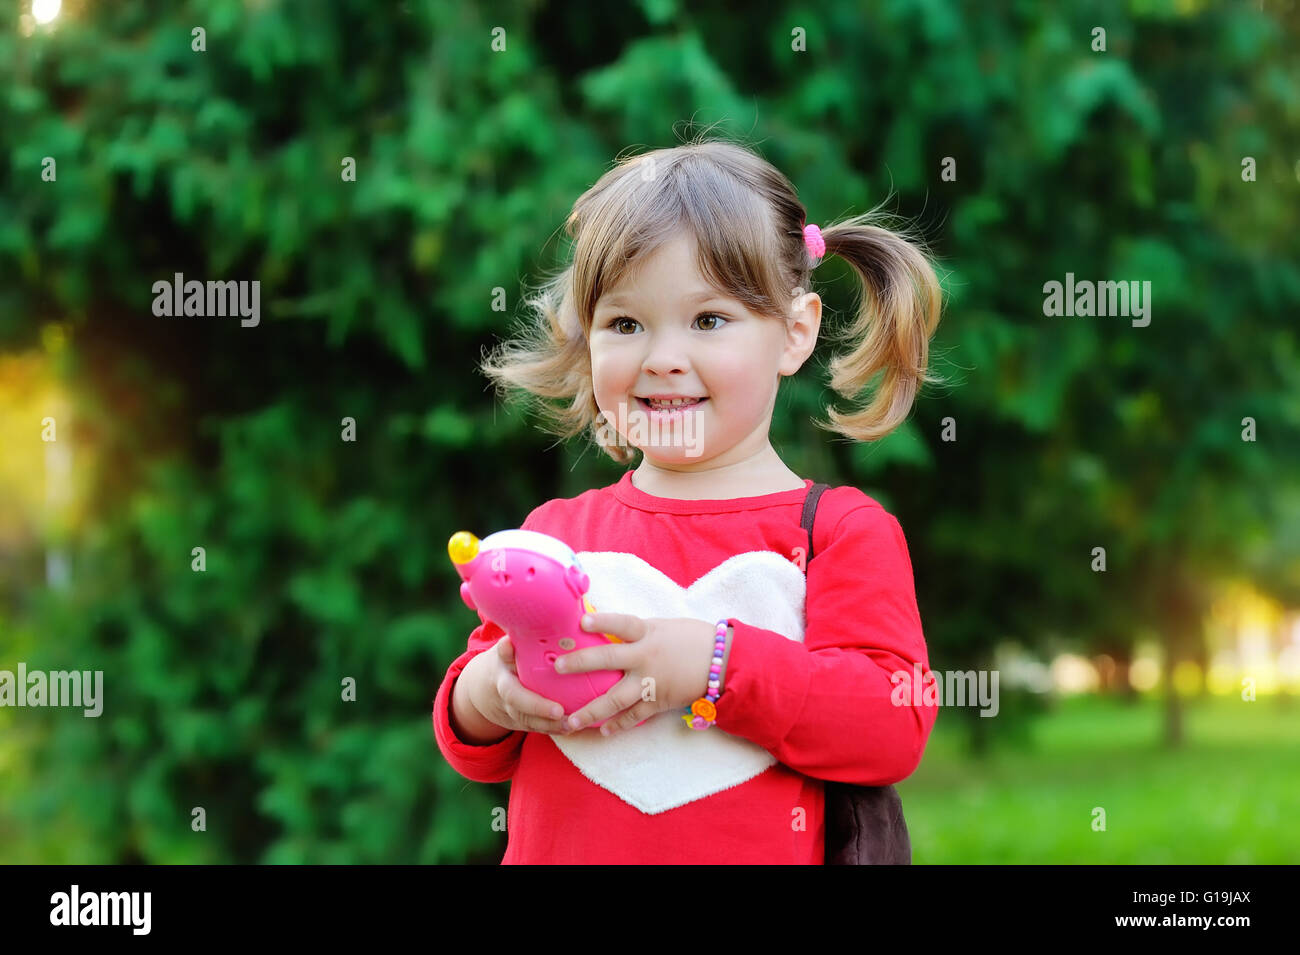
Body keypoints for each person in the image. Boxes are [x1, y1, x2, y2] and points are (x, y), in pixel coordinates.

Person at [433, 136, 945, 864]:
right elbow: (474, 731)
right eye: (625, 324)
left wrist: (714, 663)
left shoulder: (836, 532)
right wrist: (490, 692)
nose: (661, 356)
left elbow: (889, 725)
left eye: (708, 320)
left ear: (795, 333)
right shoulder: (558, 534)